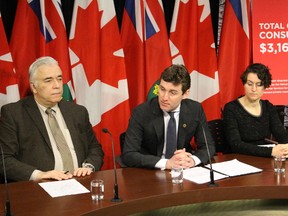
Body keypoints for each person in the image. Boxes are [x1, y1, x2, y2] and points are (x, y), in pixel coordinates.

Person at [0, 56, 104, 182]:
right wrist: (39, 175)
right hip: (40, 187)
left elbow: (95, 148)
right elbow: (4, 159)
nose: (57, 85)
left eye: (59, 79)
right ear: (34, 87)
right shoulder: (14, 113)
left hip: (80, 182)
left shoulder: (77, 112)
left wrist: (88, 166)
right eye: (48, 80)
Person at [121, 64, 215, 170]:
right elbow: (129, 154)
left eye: (172, 93)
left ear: (185, 94)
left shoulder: (195, 109)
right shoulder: (141, 112)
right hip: (151, 172)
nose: (164, 97)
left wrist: (192, 161)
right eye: (162, 89)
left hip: (183, 171)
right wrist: (167, 163)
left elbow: (208, 146)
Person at [223, 63, 288, 157]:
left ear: (265, 87)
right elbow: (235, 145)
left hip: (264, 159)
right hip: (238, 159)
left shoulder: (268, 107)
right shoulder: (231, 108)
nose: (253, 89)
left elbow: (282, 135)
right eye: (250, 84)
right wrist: (270, 152)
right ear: (244, 84)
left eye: (259, 84)